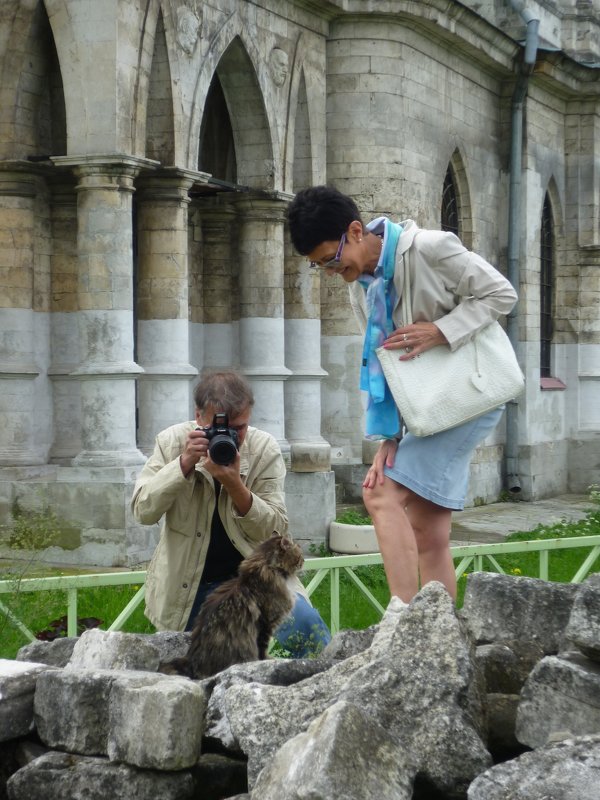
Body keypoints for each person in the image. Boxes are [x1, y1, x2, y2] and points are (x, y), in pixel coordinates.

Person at [287, 185, 518, 603]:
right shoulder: (366, 287)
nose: (329, 271)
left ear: (355, 231)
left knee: (379, 494)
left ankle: (402, 621)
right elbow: (386, 366)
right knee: (427, 529)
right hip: (430, 406)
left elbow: (502, 293)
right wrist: (390, 439)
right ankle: (438, 631)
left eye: (330, 260)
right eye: (319, 266)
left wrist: (441, 330)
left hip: (470, 395)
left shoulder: (431, 248)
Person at [132, 370, 331, 656]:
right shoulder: (172, 442)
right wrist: (184, 463)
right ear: (198, 416)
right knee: (194, 669)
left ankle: (321, 688)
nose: (232, 437)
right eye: (220, 428)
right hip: (189, 586)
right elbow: (143, 511)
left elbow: (277, 531)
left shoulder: (263, 449)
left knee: (308, 632)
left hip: (260, 583)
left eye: (240, 428)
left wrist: (235, 485)